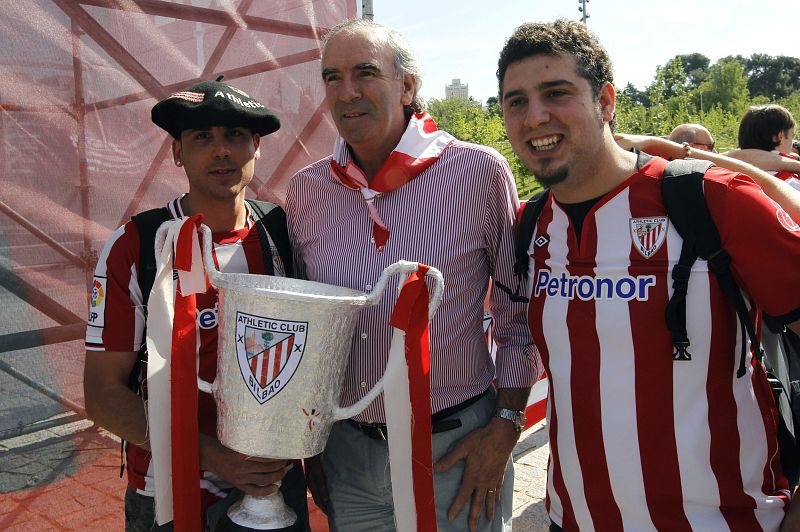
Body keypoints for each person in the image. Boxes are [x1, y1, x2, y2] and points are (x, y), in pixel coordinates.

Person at [497, 19, 800, 531]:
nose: (535, 116)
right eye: (516, 101)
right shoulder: (528, 225)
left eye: (556, 92)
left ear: (607, 101)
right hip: (569, 520)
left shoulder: (712, 201)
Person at [286, 18, 538, 532]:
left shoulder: (477, 172)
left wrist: (507, 429)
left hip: (455, 448)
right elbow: (307, 329)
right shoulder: (307, 191)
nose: (347, 92)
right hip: (350, 454)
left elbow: (521, 311)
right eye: (332, 78)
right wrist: (311, 449)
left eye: (365, 73)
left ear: (407, 85)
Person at [83, 79, 308, 531]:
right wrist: (212, 455)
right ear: (177, 152)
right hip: (168, 487)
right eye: (202, 137)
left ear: (257, 146)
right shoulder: (138, 243)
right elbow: (103, 395)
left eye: (235, 135)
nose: (221, 151)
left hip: (272, 481)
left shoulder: (283, 229)